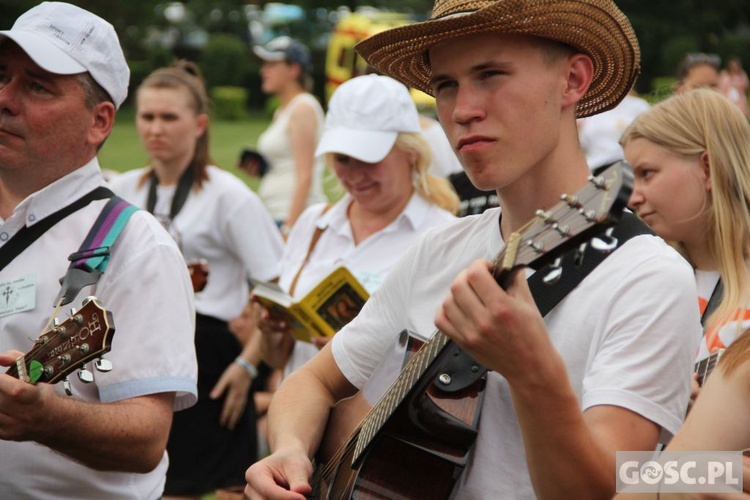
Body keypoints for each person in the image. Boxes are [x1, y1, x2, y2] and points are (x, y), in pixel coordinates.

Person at [244, 0, 702, 498]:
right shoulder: (439, 249)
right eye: (445, 85)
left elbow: (606, 489)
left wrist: (531, 371)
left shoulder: (648, 277)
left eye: (490, 74)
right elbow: (312, 381)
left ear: (573, 81)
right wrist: (290, 447)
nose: (462, 111)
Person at [0, 2, 197, 498]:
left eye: (37, 85)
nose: (4, 98)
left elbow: (146, 439)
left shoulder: (135, 245)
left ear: (99, 122)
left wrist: (43, 417)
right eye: (1, 76)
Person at [108, 61, 284, 499]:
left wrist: (248, 366)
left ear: (199, 124)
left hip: (211, 359)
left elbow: (278, 291)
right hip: (140, 355)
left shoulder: (230, 197)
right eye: (147, 116)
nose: (155, 128)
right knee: (156, 488)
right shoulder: (122, 191)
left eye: (170, 117)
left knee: (230, 489)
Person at [253, 74, 459, 380]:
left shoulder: (445, 237)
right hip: (301, 421)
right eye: (343, 159)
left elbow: (449, 367)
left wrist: (355, 358)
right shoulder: (314, 224)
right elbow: (278, 359)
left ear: (410, 153)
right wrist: (272, 332)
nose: (354, 174)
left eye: (369, 158)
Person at [621, 88, 750, 407]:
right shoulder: (640, 281)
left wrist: (703, 438)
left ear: (707, 168)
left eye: (646, 174)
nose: (632, 197)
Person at [253, 36, 327, 233]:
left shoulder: (302, 108)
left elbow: (305, 176)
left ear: (294, 69)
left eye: (272, 64)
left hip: (291, 217)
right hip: (276, 213)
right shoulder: (284, 110)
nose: (263, 71)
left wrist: (289, 228)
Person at [578, 88, 650, 174]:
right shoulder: (587, 108)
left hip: (627, 167)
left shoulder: (638, 106)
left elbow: (648, 138)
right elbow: (581, 147)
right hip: (595, 170)